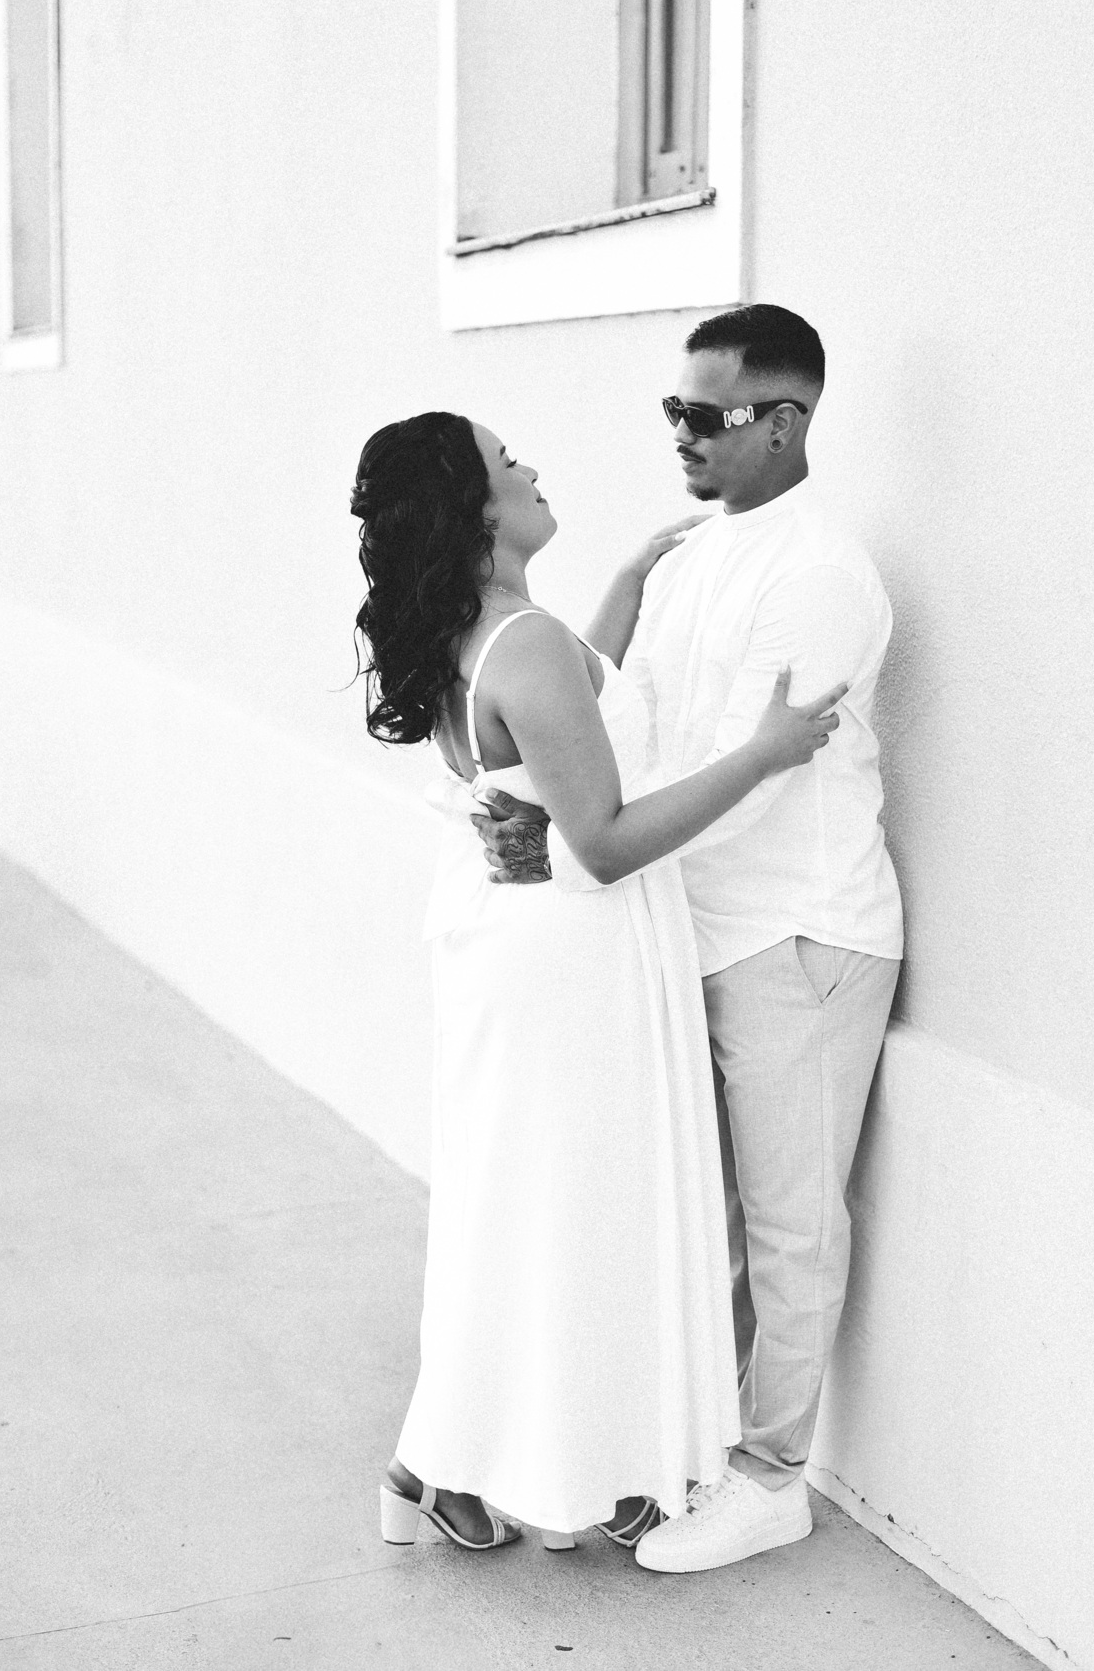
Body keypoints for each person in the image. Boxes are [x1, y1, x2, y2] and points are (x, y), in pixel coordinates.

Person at [349, 410, 846, 1555]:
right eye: (506, 461)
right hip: (575, 960)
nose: (530, 466)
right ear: (475, 508)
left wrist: (625, 581)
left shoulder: (485, 634)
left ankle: (443, 1471)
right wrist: (762, 754)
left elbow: (577, 712)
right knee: (579, 1216)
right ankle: (500, 1467)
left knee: (526, 1213)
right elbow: (608, 838)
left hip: (526, 952)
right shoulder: (521, 643)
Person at [474, 305, 904, 1574]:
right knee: (694, 1219)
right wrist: (557, 807)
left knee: (789, 1224)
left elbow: (752, 775)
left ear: (783, 423)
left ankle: (772, 1479)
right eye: (674, 409)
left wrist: (580, 843)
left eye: (706, 415)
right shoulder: (690, 559)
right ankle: (697, 1449)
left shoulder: (819, 576)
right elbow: (634, 726)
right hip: (685, 925)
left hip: (796, 932)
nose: (681, 434)